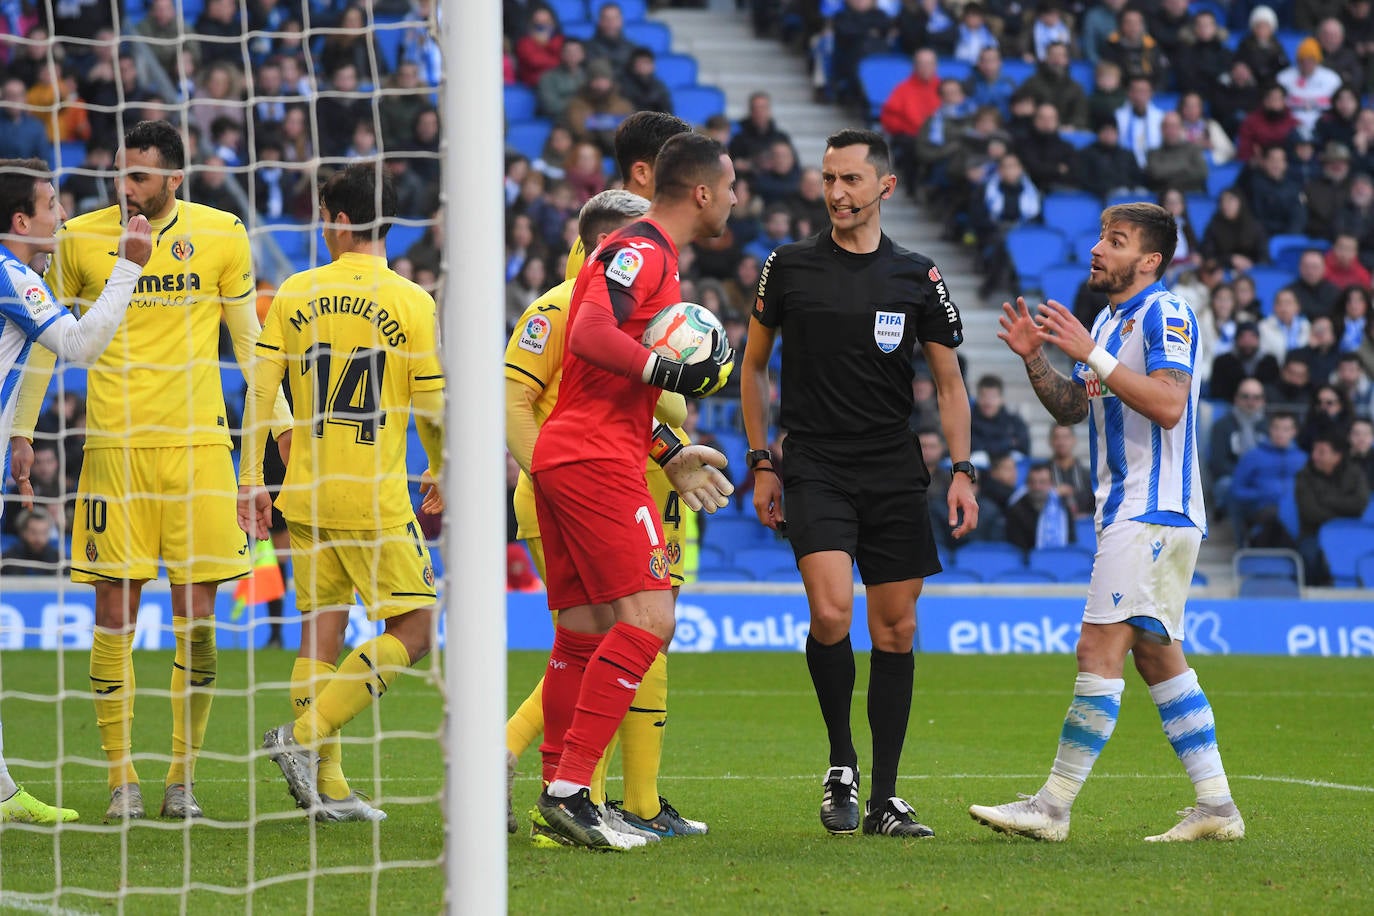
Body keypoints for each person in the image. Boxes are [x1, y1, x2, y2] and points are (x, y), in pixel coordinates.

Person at [34, 121, 292, 821]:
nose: (126, 189)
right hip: (114, 450)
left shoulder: (223, 234)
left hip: (199, 453)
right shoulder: (81, 237)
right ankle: (122, 780)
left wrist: (279, 440)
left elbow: (252, 349)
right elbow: (43, 340)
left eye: (140, 177)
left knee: (197, 620)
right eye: (121, 174)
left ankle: (182, 780)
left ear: (176, 179)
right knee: (113, 615)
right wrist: (24, 431)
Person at [971, 202, 1245, 843]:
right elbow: (1073, 406)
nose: (1097, 249)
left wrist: (1091, 351)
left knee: (1097, 649)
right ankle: (1217, 807)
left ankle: (1053, 806)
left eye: (1115, 241)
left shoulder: (1165, 312)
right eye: (1099, 238)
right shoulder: (1108, 320)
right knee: (1157, 657)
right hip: (1131, 512)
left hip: (1151, 510)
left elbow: (1171, 404)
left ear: (1149, 260)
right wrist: (1036, 360)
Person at [741, 128, 979, 839]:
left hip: (892, 468)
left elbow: (948, 382)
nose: (837, 192)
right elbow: (752, 368)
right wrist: (761, 459)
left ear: (885, 188)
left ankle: (884, 797)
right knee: (833, 613)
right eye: (829, 179)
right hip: (814, 462)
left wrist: (963, 471)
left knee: (897, 629)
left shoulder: (918, 276)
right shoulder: (787, 266)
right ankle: (840, 764)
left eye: (851, 179)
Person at [505, 111, 727, 847]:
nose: (734, 201)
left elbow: (605, 377)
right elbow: (592, 337)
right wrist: (669, 368)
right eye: (729, 187)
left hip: (578, 452)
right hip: (596, 460)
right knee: (650, 622)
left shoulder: (654, 257)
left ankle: (557, 793)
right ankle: (574, 790)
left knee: (584, 632)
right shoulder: (639, 251)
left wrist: (669, 449)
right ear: (699, 192)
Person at [243, 162, 443, 823]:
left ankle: (327, 787)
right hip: (372, 494)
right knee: (416, 628)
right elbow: (433, 406)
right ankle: (299, 741)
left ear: (335, 217)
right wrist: (441, 471)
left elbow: (260, 395)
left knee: (319, 635)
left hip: (305, 492)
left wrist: (251, 480)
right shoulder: (413, 301)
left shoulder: (295, 292)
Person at [0, 158, 150, 824]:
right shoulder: (14, 275)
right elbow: (83, 345)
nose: (62, 214)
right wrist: (131, 264)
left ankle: (1, 793)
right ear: (21, 221)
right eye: (52, 203)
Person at [1006, 461, 1075, 550]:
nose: (1037, 487)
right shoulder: (1016, 510)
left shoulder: (1062, 508)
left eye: (1042, 482)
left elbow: (1071, 542)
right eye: (1032, 482)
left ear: (1051, 484)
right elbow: (1018, 549)